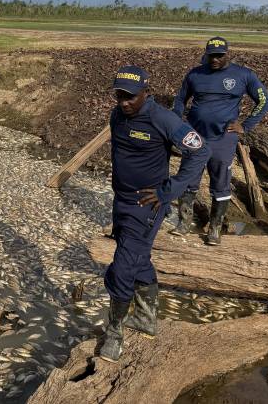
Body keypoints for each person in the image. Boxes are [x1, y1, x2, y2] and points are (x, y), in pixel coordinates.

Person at [99, 65, 210, 363]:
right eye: (119, 95)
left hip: (146, 205)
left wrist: (170, 190)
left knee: (122, 268)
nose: (124, 101)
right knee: (138, 260)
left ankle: (114, 333)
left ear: (146, 92)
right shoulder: (116, 116)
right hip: (121, 201)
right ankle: (147, 319)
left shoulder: (163, 118)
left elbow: (200, 150)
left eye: (130, 96)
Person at [171, 37, 268, 245]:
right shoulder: (195, 74)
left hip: (223, 139)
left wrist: (245, 125)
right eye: (211, 55)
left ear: (228, 53)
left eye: (219, 55)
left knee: (221, 184)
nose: (215, 59)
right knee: (188, 180)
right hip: (195, 137)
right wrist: (178, 123)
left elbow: (264, 99)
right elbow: (181, 99)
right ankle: (184, 223)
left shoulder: (244, 75)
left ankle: (215, 228)